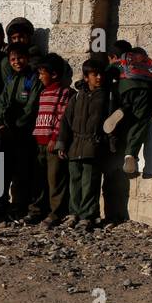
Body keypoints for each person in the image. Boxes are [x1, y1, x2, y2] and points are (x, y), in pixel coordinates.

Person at [57, 58, 118, 231]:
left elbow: (111, 121)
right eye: (94, 74)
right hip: (75, 144)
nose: (99, 77)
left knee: (89, 182)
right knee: (74, 182)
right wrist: (62, 144)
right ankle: (74, 213)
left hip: (94, 144)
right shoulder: (77, 96)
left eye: (101, 74)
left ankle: (88, 215)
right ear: (86, 77)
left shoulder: (108, 96)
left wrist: (112, 143)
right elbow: (65, 122)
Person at [0, 42, 40, 221]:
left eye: (21, 58)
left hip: (23, 134)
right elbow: (3, 102)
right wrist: (1, 124)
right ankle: (0, 202)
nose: (17, 62)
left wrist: (17, 126)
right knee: (2, 169)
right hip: (6, 132)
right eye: (13, 59)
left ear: (28, 58)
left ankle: (19, 205)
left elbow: (31, 107)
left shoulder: (33, 80)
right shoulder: (10, 79)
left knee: (21, 171)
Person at [27, 55, 74, 227]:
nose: (39, 77)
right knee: (38, 179)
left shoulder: (64, 92)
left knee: (56, 180)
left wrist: (55, 138)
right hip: (39, 141)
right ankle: (36, 210)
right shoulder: (43, 92)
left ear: (54, 74)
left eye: (42, 73)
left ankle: (57, 212)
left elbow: (61, 118)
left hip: (52, 143)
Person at [107, 46, 152, 176]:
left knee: (126, 109)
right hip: (144, 92)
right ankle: (130, 154)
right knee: (140, 121)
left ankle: (122, 109)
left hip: (124, 89)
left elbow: (106, 73)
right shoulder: (148, 62)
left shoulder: (119, 63)